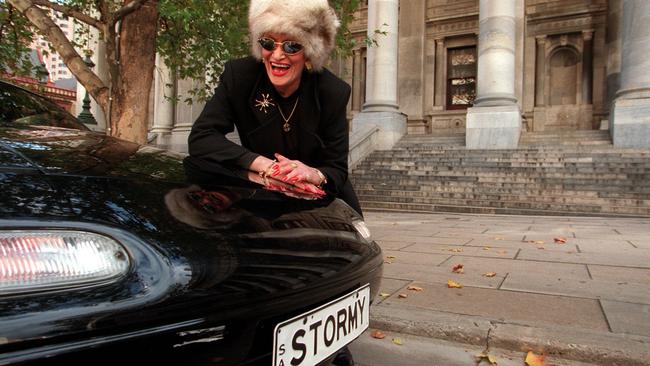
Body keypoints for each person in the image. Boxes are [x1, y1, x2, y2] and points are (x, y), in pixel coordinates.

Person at [187, 0, 362, 215]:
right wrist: (265, 166)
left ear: (309, 52)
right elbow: (202, 137)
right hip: (264, 193)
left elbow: (336, 168)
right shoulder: (239, 77)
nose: (277, 55)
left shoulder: (332, 92)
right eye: (268, 43)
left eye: (291, 46)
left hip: (322, 201)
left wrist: (312, 174)